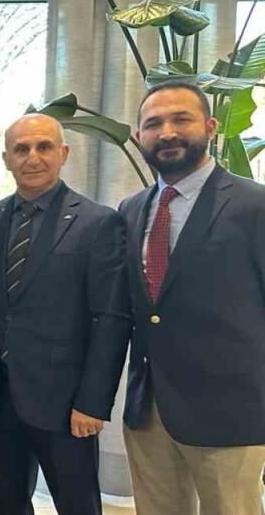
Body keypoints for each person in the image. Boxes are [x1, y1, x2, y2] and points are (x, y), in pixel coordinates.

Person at [120, 82, 265, 515]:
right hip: (149, 409)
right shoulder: (131, 209)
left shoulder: (254, 206)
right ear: (139, 136)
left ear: (211, 126)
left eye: (181, 119)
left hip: (230, 411)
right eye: (153, 124)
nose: (167, 132)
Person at [0, 114, 129, 515]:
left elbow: (111, 319)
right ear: (6, 160)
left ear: (63, 154)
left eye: (43, 147)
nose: (33, 157)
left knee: (77, 505)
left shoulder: (98, 223)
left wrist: (93, 402)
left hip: (66, 403)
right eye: (21, 149)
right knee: (6, 503)